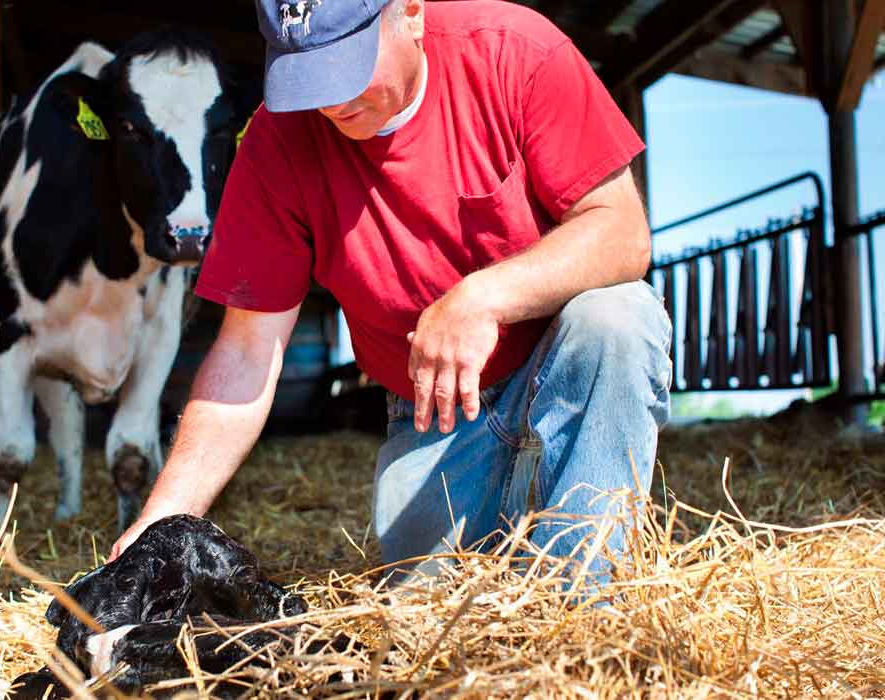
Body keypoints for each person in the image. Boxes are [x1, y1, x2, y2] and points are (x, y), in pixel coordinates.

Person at [110, 0, 672, 583]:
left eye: (348, 64)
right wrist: (162, 522)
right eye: (306, 74)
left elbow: (623, 233)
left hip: (566, 372)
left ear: (410, 13)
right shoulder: (278, 143)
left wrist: (482, 297)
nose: (332, 100)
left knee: (617, 317)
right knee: (422, 602)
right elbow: (247, 352)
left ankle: (585, 606)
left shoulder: (514, 50)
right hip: (437, 412)